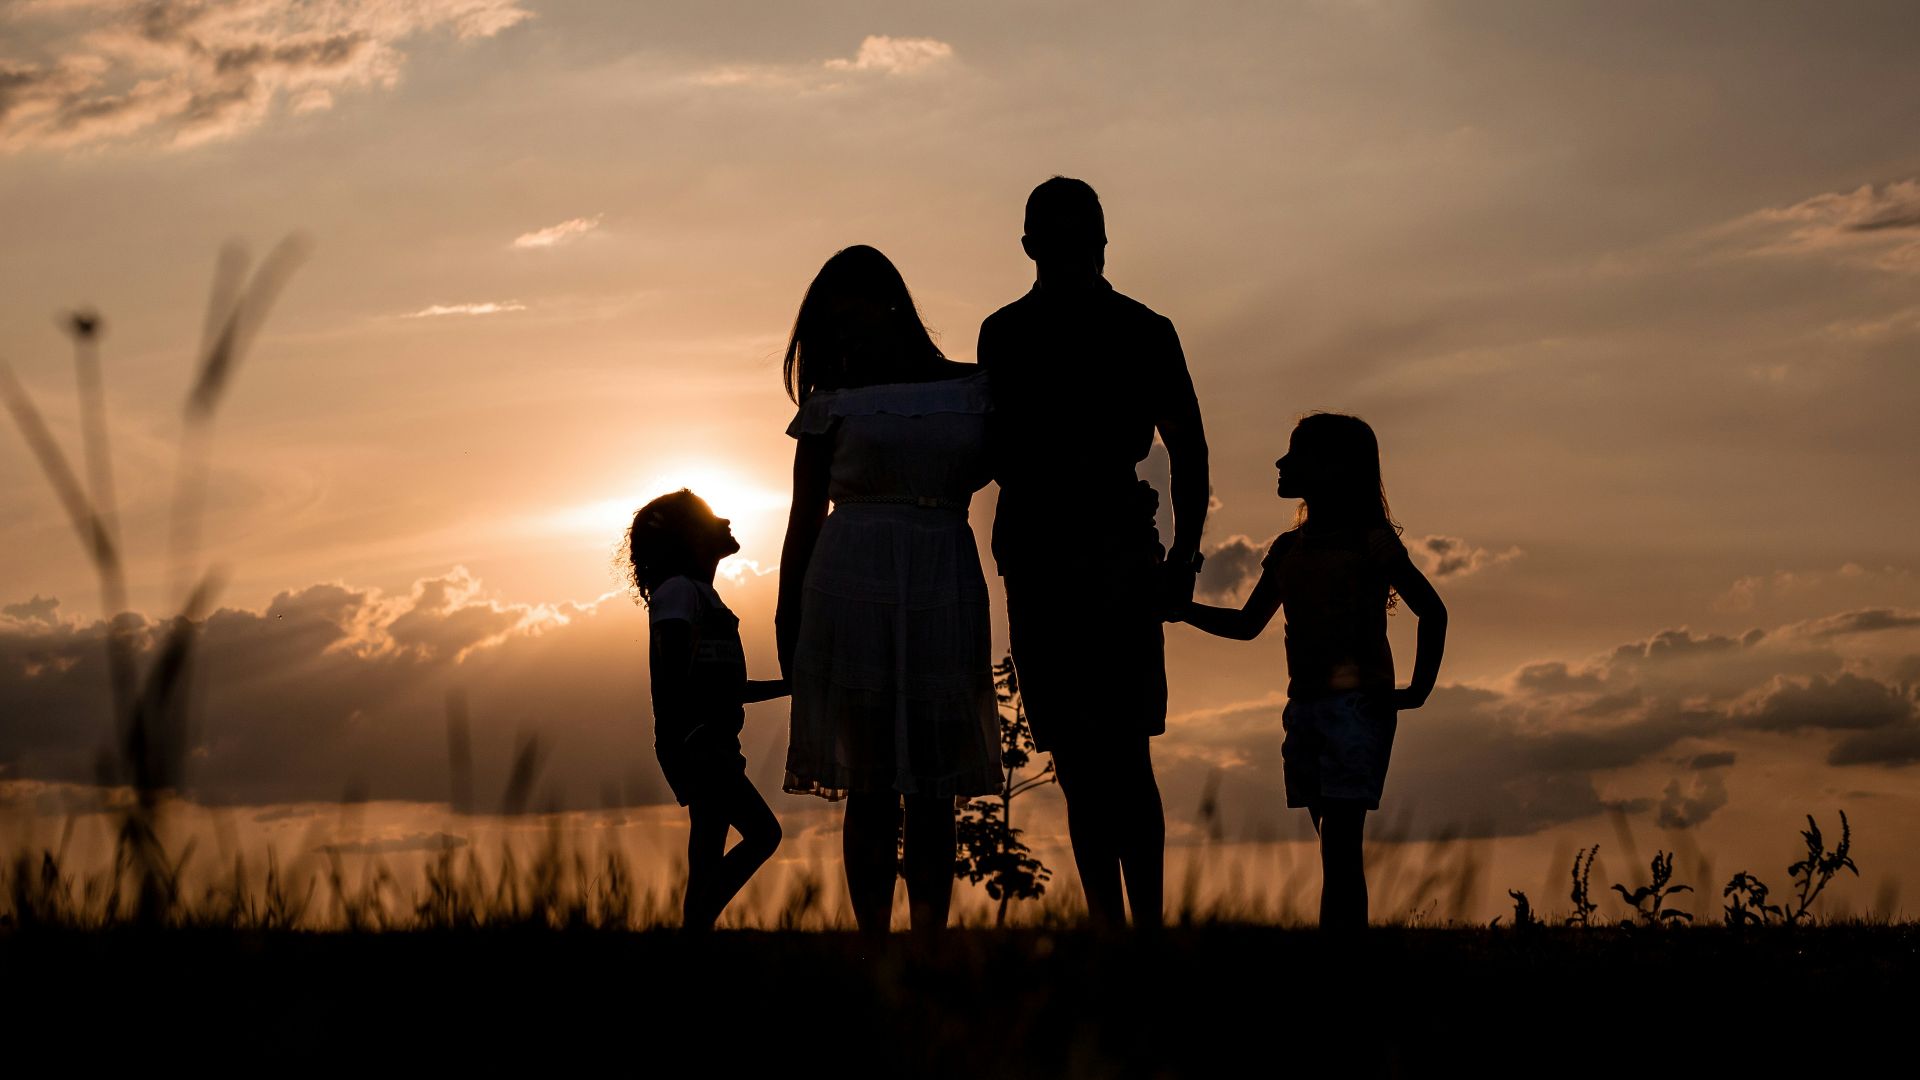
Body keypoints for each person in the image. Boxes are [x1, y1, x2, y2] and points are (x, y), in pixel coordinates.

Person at [978, 176, 1210, 928]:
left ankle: (1134, 929)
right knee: (1088, 759)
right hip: (1060, 555)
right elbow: (1189, 451)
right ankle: (1122, 930)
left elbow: (1190, 449)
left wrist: (1182, 560)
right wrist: (1180, 558)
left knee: (1111, 755)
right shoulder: (1013, 333)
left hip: (1101, 555)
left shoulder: (1135, 329)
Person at [776, 245, 1004, 935]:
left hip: (941, 579)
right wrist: (789, 623)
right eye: (834, 328)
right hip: (850, 588)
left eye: (854, 318)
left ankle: (929, 940)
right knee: (870, 784)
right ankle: (873, 943)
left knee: (934, 784)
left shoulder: (972, 390)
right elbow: (802, 521)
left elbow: (1025, 472)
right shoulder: (831, 405)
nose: (847, 337)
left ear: (892, 307)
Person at [1176, 413, 1447, 929]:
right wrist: (1181, 609)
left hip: (1357, 708)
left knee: (1341, 847)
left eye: (1297, 453)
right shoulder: (1287, 549)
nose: (1281, 463)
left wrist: (1415, 692)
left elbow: (1432, 611)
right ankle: (1344, 958)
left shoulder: (1370, 541)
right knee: (1334, 845)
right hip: (1304, 709)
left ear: (1336, 468)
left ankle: (1339, 961)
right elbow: (1246, 624)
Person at [628, 489, 786, 929]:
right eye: (712, 517)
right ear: (689, 536)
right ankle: (693, 926)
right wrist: (693, 736)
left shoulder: (700, 596)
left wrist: (793, 687)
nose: (726, 521)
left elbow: (725, 689)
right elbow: (675, 676)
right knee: (764, 834)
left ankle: (693, 948)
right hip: (699, 745)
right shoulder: (679, 593)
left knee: (705, 855)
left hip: (711, 742)